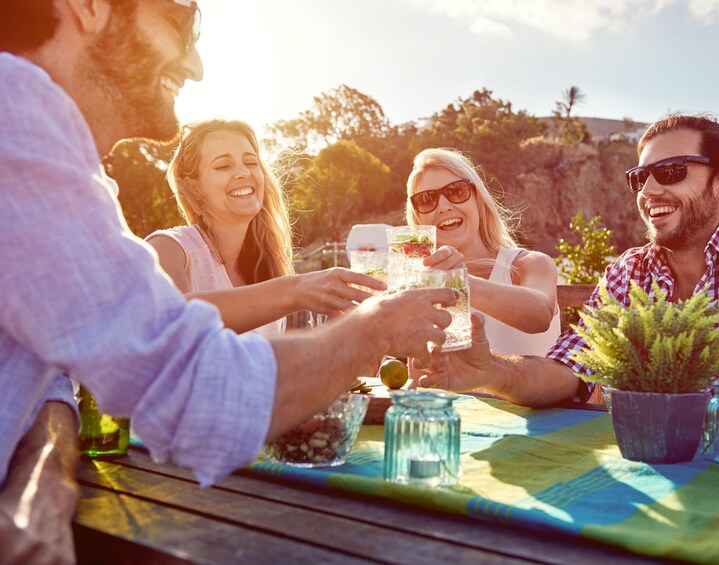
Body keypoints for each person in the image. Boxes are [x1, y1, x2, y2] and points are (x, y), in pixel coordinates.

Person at [0, 1, 454, 561]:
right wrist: (376, 328)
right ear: (88, 7)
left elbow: (42, 371)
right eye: (182, 20)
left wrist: (45, 455)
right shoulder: (16, 116)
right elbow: (198, 391)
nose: (195, 67)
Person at [418, 114, 719, 418]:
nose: (649, 190)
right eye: (640, 178)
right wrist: (490, 371)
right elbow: (569, 367)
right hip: (649, 454)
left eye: (671, 171)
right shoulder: (631, 270)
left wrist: (627, 390)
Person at [146, 119, 383, 338]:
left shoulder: (266, 268)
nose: (244, 173)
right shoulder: (168, 249)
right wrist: (296, 290)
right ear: (194, 187)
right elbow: (175, 321)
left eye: (251, 162)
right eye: (223, 166)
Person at [407, 148, 561, 356]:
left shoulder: (529, 264)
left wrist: (459, 281)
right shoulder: (424, 286)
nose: (443, 207)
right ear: (418, 218)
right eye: (426, 199)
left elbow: (540, 315)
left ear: (478, 200)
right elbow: (422, 377)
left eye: (456, 191)